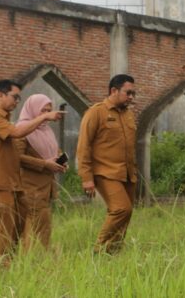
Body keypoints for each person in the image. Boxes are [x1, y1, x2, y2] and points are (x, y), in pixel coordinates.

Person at [0, 79, 63, 268]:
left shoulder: (4, 119)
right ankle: (3, 274)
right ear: (0, 95)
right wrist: (43, 119)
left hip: (13, 183)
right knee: (6, 231)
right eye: (15, 97)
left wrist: (56, 160)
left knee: (16, 228)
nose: (17, 101)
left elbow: (15, 154)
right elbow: (17, 135)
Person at [77, 74, 137, 254]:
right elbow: (83, 146)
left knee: (126, 213)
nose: (131, 97)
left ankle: (112, 253)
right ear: (114, 90)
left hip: (127, 172)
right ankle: (98, 249)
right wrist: (86, 177)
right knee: (121, 209)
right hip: (105, 171)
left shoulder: (128, 115)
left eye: (134, 93)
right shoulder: (96, 112)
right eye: (128, 93)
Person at [14, 94, 67, 249]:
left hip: (46, 186)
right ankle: (31, 263)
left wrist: (61, 162)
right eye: (42, 111)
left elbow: (54, 150)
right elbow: (16, 157)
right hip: (30, 187)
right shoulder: (21, 130)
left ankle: (38, 262)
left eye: (48, 111)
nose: (46, 115)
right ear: (32, 109)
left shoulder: (46, 131)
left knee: (43, 227)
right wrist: (44, 164)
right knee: (33, 228)